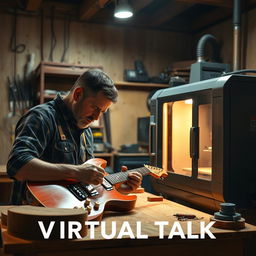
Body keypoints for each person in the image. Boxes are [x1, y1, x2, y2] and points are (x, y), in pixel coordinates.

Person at [7, 69, 142, 205]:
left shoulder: (86, 131)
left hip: (69, 214)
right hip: (31, 217)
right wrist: (76, 172)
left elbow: (84, 184)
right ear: (78, 94)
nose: (96, 117)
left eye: (102, 112)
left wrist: (119, 189)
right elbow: (17, 165)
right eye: (95, 107)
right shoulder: (41, 117)